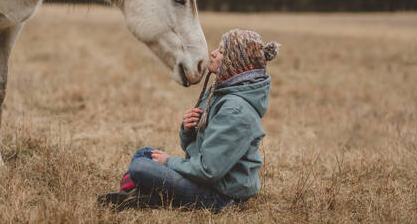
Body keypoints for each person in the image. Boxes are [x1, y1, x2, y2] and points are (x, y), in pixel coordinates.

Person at [98, 29, 280, 212]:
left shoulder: (236, 110)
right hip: (208, 181)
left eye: (222, 52)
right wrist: (188, 130)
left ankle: (143, 195)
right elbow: (195, 151)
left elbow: (208, 171)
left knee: (140, 167)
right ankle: (141, 195)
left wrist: (168, 162)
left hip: (221, 196)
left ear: (236, 62)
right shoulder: (221, 93)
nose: (213, 53)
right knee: (143, 154)